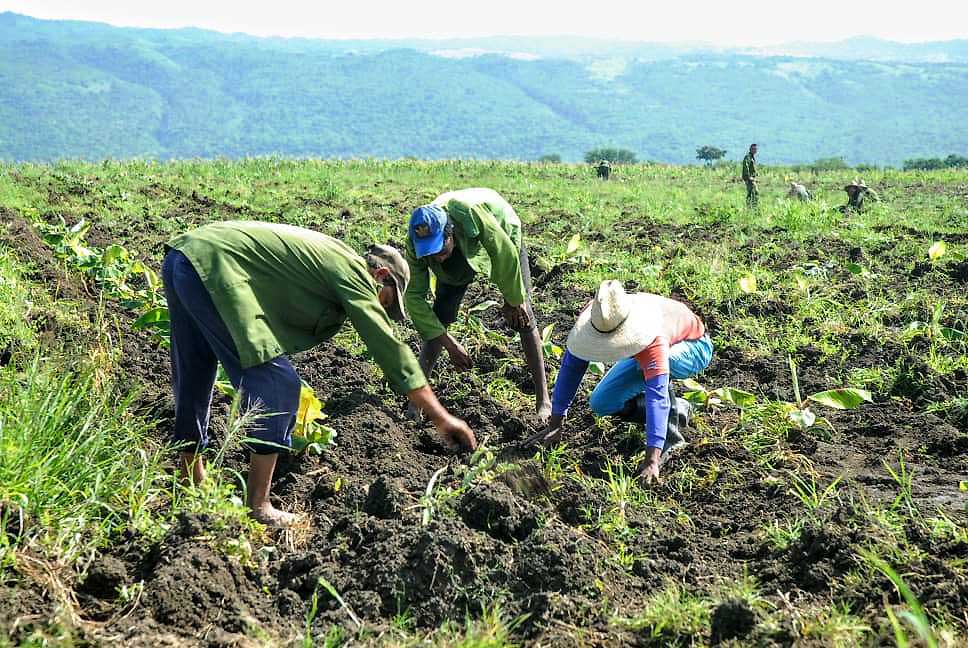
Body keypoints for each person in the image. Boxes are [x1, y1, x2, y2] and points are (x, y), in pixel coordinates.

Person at [162, 221, 476, 528]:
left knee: (196, 365)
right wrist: (440, 417)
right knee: (278, 384)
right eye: (387, 302)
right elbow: (390, 349)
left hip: (186, 256)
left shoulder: (331, 259)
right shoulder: (353, 273)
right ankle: (259, 505)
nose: (381, 310)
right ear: (381, 276)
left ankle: (191, 477)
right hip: (213, 265)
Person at [524, 280, 713, 484]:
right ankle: (679, 407)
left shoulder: (652, 336)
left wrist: (651, 460)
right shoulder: (597, 316)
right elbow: (572, 368)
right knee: (601, 402)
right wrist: (555, 424)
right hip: (648, 353)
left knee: (657, 371)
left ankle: (670, 435)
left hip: (693, 346)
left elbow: (657, 396)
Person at [405, 188, 551, 423]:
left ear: (449, 233)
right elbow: (414, 297)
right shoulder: (416, 242)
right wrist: (450, 344)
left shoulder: (471, 214)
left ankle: (544, 400)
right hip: (463, 247)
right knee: (440, 315)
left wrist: (512, 300)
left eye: (440, 250)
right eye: (430, 254)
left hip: (504, 233)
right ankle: (415, 403)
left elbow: (503, 253)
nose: (438, 258)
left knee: (523, 316)